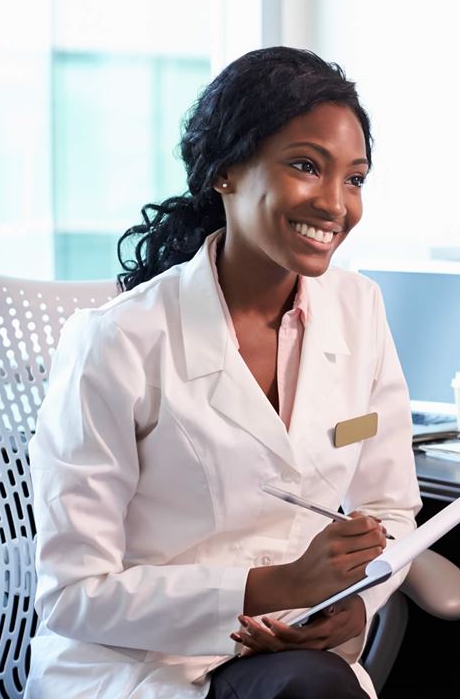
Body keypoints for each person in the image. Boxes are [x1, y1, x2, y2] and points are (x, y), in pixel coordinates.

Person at [28, 47, 420, 699]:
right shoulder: (118, 341)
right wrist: (274, 586)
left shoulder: (359, 309)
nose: (334, 203)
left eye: (354, 178)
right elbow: (73, 593)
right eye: (305, 166)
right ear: (226, 172)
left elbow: (389, 508)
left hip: (288, 652)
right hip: (141, 663)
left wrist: (355, 601)